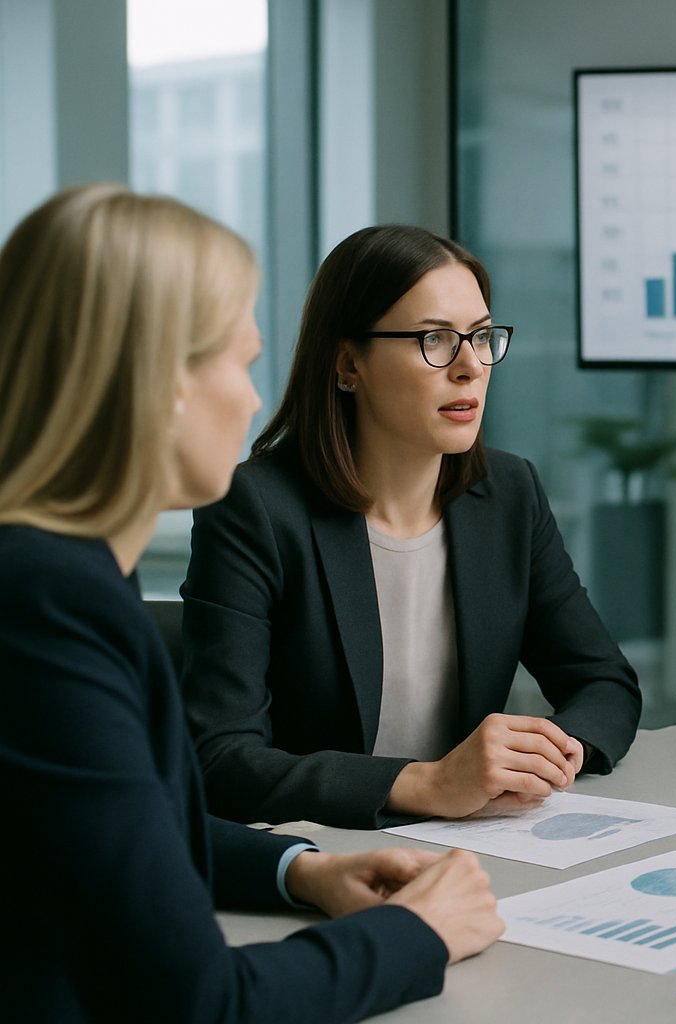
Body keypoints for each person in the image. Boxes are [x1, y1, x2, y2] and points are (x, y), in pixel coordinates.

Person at [0, 184, 504, 1021]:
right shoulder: (44, 611)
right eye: (239, 361)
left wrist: (300, 869)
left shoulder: (70, 572)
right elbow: (201, 1005)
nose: (252, 399)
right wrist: (419, 933)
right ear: (158, 384)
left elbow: (130, 836)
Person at [180, 224, 642, 830]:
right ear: (348, 363)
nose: (470, 367)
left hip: (479, 843)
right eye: (435, 339)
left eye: (480, 338)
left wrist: (548, 754)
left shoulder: (508, 494)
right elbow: (220, 760)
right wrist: (424, 783)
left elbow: (604, 682)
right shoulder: (256, 507)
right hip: (329, 848)